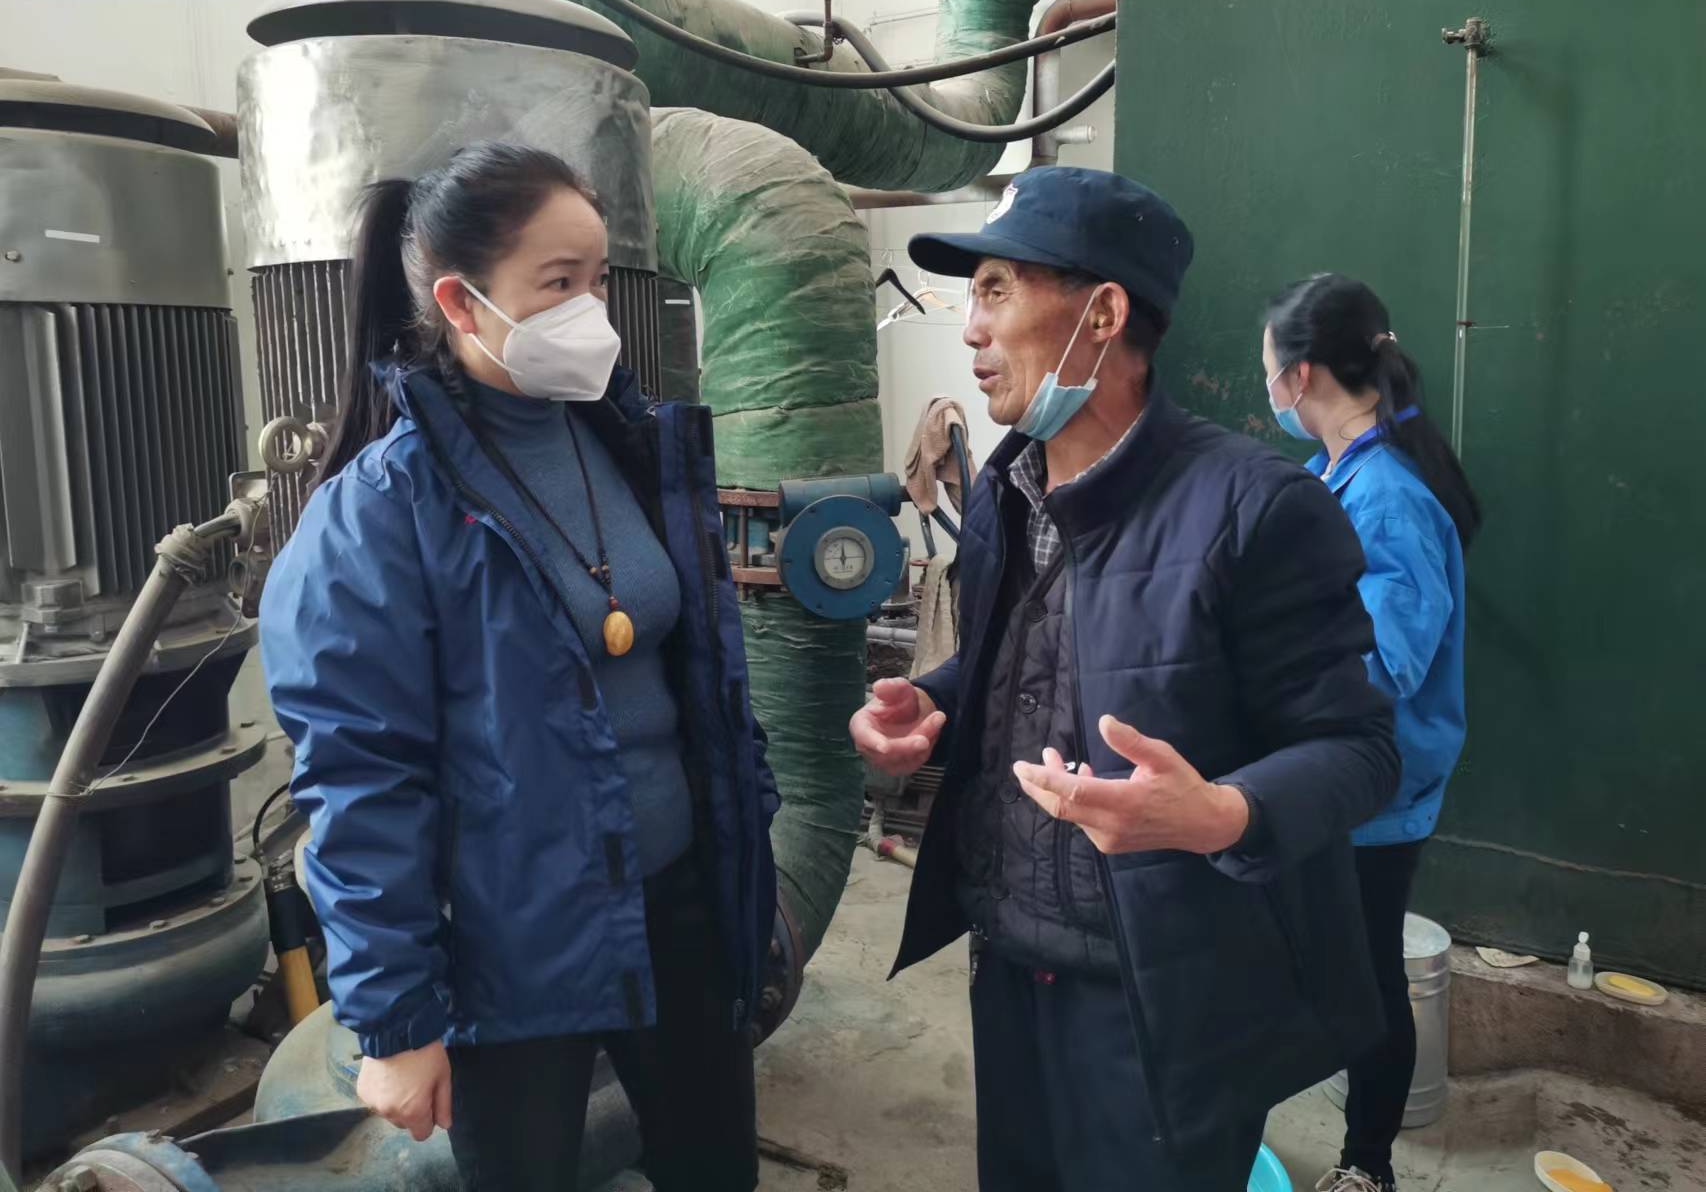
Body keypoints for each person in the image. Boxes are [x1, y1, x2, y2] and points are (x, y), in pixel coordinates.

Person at [849, 166, 1401, 1191]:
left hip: (1160, 1000)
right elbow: (1029, 657)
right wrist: (934, 699)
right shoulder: (1005, 488)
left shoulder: (1253, 509)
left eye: (997, 290)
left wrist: (1224, 813)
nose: (971, 328)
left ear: (1102, 315)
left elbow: (1360, 749)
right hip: (1006, 960)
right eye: (972, 296)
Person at [259, 142, 778, 1192]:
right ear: (460, 301)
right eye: (558, 283)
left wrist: (744, 852)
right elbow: (361, 780)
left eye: (597, 280)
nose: (592, 311)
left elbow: (699, 680)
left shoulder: (626, 445)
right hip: (511, 943)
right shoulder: (381, 512)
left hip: (677, 899)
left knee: (716, 1168)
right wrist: (396, 1019)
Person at [1262, 274, 1477, 1192]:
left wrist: (1266, 672)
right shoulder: (1336, 475)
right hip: (1334, 779)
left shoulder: (1387, 496)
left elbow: (1387, 665)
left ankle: (1368, 1166)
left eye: (1268, 369)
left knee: (1370, 979)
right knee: (1329, 966)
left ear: (1301, 373)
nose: (1268, 388)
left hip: (1376, 789)